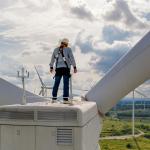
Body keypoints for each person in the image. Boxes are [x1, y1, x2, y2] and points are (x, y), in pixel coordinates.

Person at [49, 38, 77, 103]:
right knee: (66, 84)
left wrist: (51, 67)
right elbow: (72, 58)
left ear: (61, 43)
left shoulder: (56, 50)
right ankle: (65, 99)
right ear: (66, 44)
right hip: (66, 69)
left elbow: (52, 59)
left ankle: (54, 98)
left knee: (56, 83)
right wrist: (74, 67)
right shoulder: (68, 49)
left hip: (58, 69)